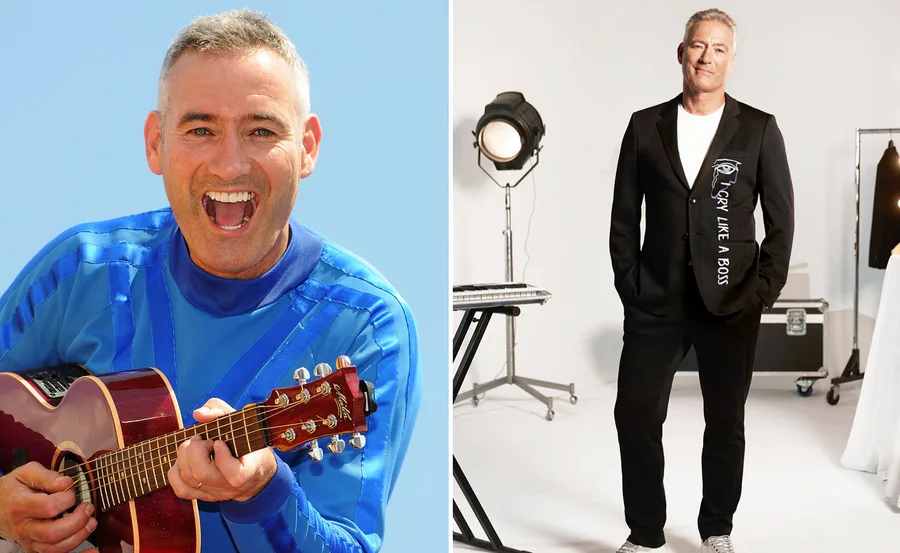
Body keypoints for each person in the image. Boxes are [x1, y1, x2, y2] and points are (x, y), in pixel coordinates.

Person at [0, 9, 421, 553]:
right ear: (156, 143)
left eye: (261, 130)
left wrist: (265, 493)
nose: (228, 164)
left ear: (308, 147)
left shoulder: (366, 324)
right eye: (200, 129)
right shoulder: (80, 271)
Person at [608, 8, 794, 553]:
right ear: (681, 52)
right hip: (656, 301)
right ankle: (645, 534)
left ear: (732, 60)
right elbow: (623, 219)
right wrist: (631, 285)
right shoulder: (645, 126)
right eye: (697, 46)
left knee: (725, 422)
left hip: (731, 302)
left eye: (717, 48)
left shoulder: (758, 128)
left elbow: (780, 220)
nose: (706, 56)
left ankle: (716, 529)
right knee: (635, 414)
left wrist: (761, 293)